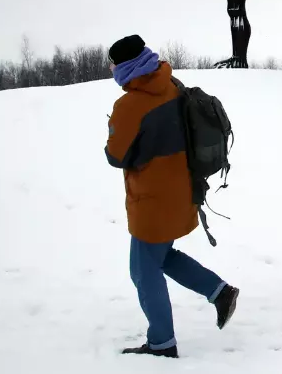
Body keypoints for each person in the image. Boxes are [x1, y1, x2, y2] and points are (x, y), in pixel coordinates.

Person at [104, 34, 240, 358]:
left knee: (142, 268)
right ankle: (219, 292)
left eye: (113, 65)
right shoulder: (172, 84)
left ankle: (162, 342)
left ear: (124, 67)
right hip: (183, 192)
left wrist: (114, 128)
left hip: (152, 202)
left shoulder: (129, 105)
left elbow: (115, 155)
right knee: (161, 257)